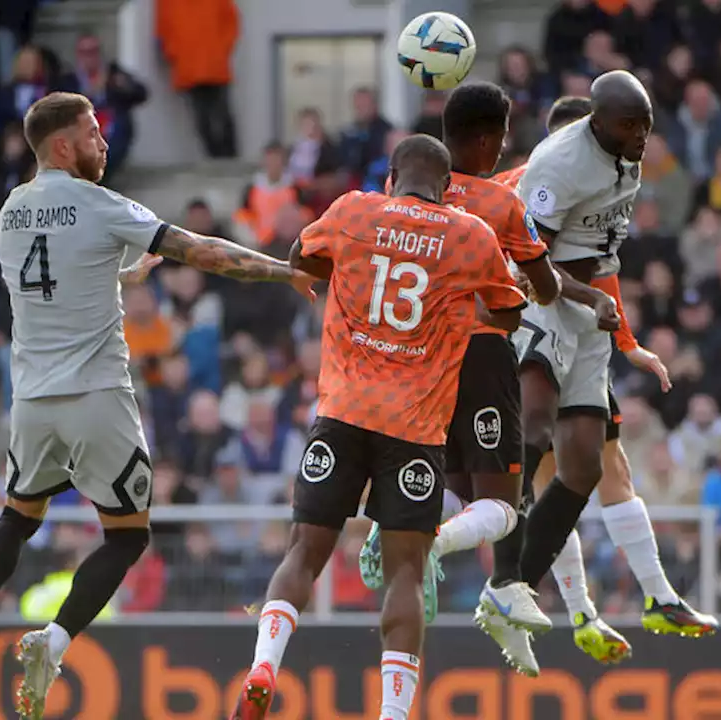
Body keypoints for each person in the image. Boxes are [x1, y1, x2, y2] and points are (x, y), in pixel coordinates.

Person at [0, 92, 317, 720]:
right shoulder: (101, 204)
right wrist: (285, 272)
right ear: (63, 146)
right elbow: (203, 252)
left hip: (31, 399)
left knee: (17, 514)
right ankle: (54, 643)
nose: (103, 144)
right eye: (92, 133)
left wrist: (121, 275)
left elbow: (58, 273)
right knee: (127, 535)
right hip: (98, 397)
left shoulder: (11, 210)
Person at [232, 135, 527, 720]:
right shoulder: (469, 235)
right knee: (407, 573)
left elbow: (301, 257)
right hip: (415, 428)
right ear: (446, 187)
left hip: (341, 414)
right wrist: (457, 304)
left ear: (391, 177)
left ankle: (264, 664)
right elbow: (510, 309)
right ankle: (392, 714)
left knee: (303, 552)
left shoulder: (353, 210)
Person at [508, 94, 717, 668]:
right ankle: (626, 599)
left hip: (584, 327)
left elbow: (606, 269)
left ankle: (590, 610)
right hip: (541, 325)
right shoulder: (535, 181)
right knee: (580, 470)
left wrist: (627, 343)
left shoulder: (615, 170)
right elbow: (519, 260)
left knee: (576, 474)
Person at [355, 82, 562, 628]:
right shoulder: (501, 203)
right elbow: (546, 288)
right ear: (491, 141)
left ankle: (400, 529)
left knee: (454, 480)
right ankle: (444, 552)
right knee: (501, 496)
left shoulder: (402, 194)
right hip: (480, 355)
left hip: (414, 356)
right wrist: (521, 278)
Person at [480, 69, 655, 674]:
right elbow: (529, 265)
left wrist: (620, 332)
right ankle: (501, 571)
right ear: (596, 123)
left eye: (646, 125)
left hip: (587, 319)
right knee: (533, 430)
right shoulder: (554, 167)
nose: (642, 136)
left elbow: (600, 252)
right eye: (632, 126)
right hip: (545, 307)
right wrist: (588, 301)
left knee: (583, 464)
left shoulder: (624, 152)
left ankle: (515, 590)